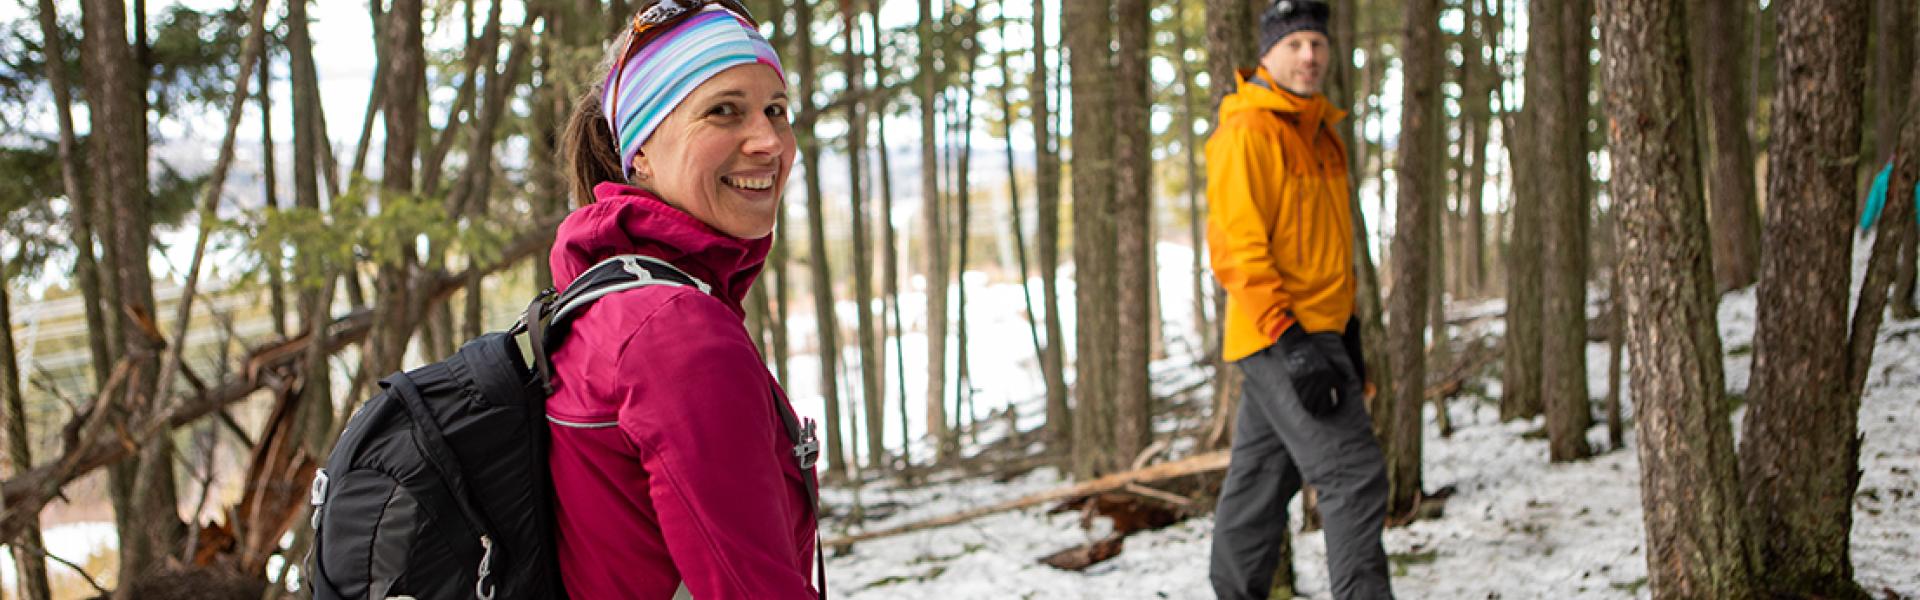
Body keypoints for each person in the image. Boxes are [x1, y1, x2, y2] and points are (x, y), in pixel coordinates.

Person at [545, 1, 817, 597]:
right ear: (639, 151)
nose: (769, 141)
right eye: (724, 112)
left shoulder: (607, 298)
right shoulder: (674, 330)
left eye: (776, 110)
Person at [1204, 1, 1393, 598]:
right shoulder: (1247, 132)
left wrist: (1350, 331)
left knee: (1260, 481)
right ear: (1267, 53)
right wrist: (1291, 341)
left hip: (1321, 333)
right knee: (1354, 476)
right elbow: (1238, 249)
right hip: (1282, 336)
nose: (1309, 56)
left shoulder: (1322, 136)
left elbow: (1326, 250)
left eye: (1318, 44)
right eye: (1295, 45)